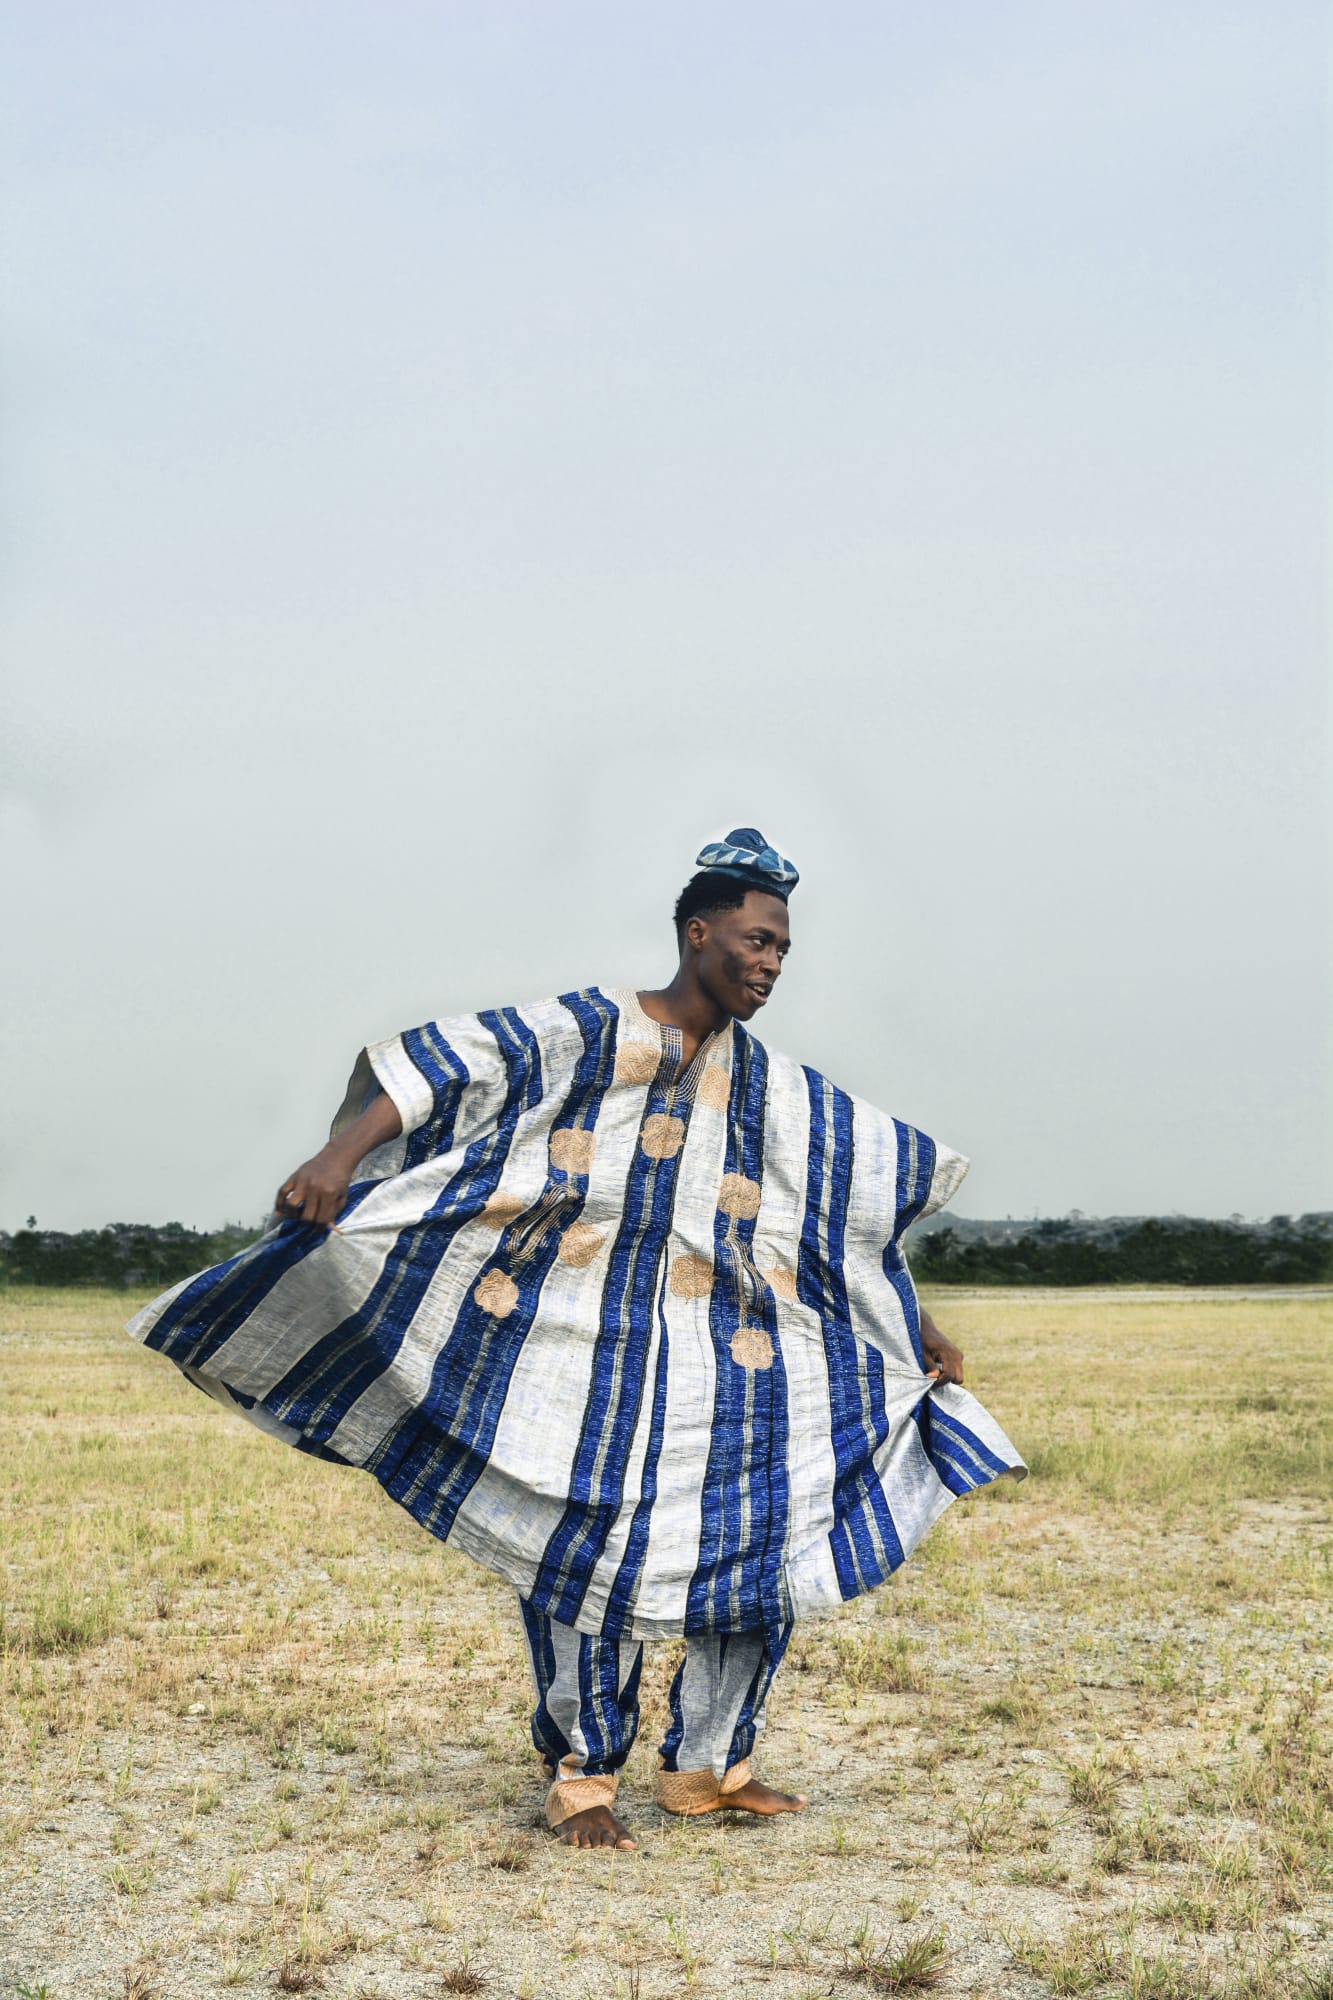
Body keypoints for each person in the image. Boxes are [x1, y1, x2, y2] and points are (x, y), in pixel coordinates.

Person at [128, 827, 1023, 1851]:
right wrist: (339, 1158)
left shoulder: (775, 1091)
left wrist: (918, 1326)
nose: (772, 963)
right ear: (699, 933)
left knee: (760, 1533)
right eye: (757, 940)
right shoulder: (587, 1028)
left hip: (723, 1363)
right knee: (582, 1555)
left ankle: (708, 1765)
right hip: (575, 1352)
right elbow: (448, 1064)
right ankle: (582, 1774)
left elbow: (836, 1225)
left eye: (782, 948)